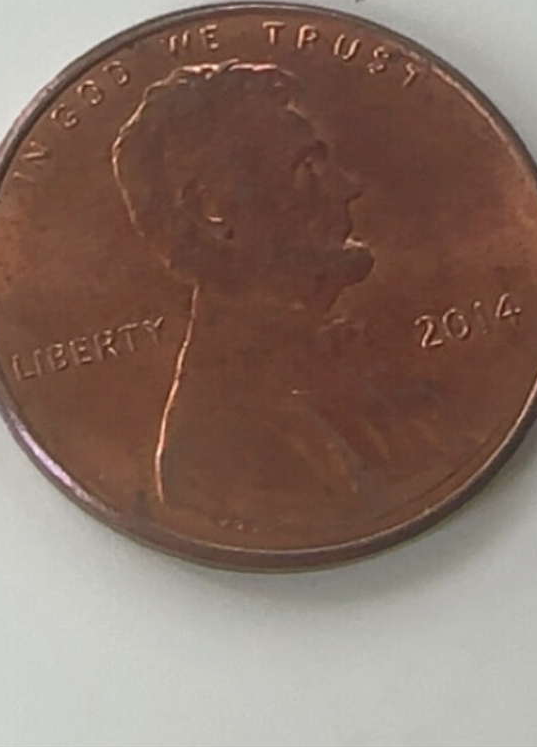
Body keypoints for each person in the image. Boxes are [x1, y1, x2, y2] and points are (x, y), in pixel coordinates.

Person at [112, 61, 440, 535]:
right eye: (306, 168)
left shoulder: (346, 378)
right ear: (213, 211)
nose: (348, 188)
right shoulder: (227, 453)